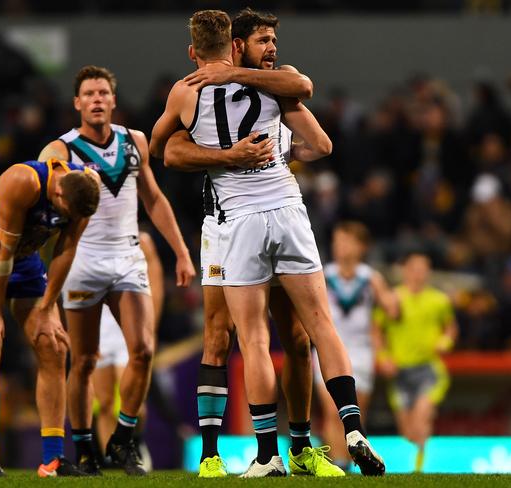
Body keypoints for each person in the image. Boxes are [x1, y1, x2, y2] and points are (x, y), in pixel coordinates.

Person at [150, 9, 384, 477]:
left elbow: (159, 147)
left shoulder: (192, 90)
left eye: (274, 39)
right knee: (308, 327)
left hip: (240, 223)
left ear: (194, 52)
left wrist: (237, 142)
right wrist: (237, 152)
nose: (272, 48)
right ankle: (348, 425)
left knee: (261, 339)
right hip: (271, 214)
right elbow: (317, 133)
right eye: (263, 39)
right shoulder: (279, 86)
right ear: (236, 44)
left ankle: (274, 453)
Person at [38, 65, 195, 476]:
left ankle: (124, 440)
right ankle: (86, 448)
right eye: (88, 93)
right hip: (83, 258)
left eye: (103, 92)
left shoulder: (134, 141)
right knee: (85, 360)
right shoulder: (62, 150)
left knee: (142, 350)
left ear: (113, 99)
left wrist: (180, 251)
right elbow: (45, 191)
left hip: (127, 256)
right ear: (77, 103)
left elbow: (155, 200)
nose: (96, 99)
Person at [0, 157, 100, 477]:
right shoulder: (22, 181)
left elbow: (67, 247)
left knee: (54, 346)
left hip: (26, 261)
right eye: (64, 214)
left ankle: (54, 460)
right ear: (58, 196)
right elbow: (2, 251)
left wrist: (48, 308)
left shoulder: (88, 188)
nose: (65, 220)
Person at [313, 221, 399, 470]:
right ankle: (339, 464)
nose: (340, 247)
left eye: (347, 241)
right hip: (329, 347)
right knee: (331, 411)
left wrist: (395, 300)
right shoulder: (323, 274)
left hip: (361, 350)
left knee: (356, 413)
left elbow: (391, 311)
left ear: (361, 246)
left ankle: (354, 461)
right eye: (337, 241)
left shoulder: (370, 278)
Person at [374, 252, 457, 472]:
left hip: (428, 368)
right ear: (405, 271)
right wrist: (383, 357)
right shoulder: (393, 299)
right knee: (408, 432)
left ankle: (420, 469)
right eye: (414, 269)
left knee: (421, 417)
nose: (419, 274)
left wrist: (445, 341)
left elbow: (450, 328)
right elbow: (376, 329)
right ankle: (418, 456)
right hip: (400, 372)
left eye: (423, 269)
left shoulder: (439, 300)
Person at [91, 230, 164, 471]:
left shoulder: (141, 240)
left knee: (134, 402)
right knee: (103, 402)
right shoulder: (90, 240)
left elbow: (155, 281)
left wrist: (150, 326)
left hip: (129, 325)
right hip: (100, 328)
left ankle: (134, 442)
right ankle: (111, 460)